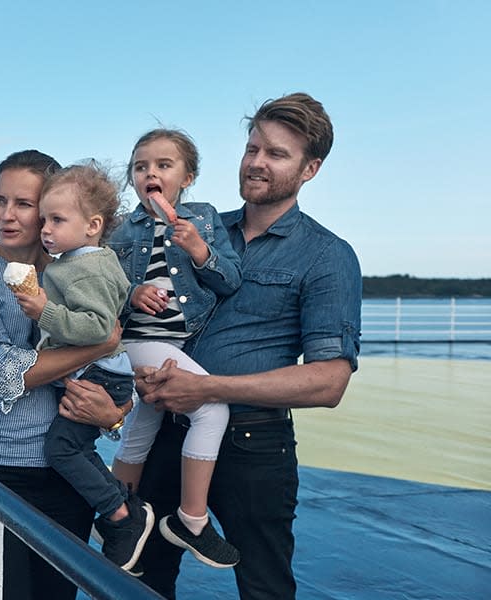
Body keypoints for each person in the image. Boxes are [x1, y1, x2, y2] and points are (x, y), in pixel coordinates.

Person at [133, 93, 362, 599]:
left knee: (264, 586)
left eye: (276, 154)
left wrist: (207, 388)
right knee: (139, 580)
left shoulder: (327, 256)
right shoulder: (195, 228)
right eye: (252, 147)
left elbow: (329, 381)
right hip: (165, 430)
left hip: (254, 445)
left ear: (311, 169)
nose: (257, 162)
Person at [0, 150, 133, 599]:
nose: (6, 216)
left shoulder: (82, 271)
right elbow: (1, 373)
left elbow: (118, 366)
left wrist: (115, 414)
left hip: (67, 475)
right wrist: (101, 341)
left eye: (24, 204)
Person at [106, 129, 243, 569]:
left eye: (164, 165)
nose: (151, 172)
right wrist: (132, 293)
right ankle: (192, 520)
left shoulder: (202, 219)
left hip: (176, 344)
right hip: (135, 342)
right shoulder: (121, 230)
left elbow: (230, 281)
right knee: (213, 408)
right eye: (141, 166)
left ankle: (117, 516)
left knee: (142, 425)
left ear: (188, 177)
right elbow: (100, 291)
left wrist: (200, 251)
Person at [10, 162, 154, 574]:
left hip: (100, 374)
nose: (46, 230)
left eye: (57, 220)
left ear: (93, 225)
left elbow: (96, 329)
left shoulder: (83, 267)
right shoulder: (96, 260)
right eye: (43, 221)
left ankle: (122, 517)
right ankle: (120, 505)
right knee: (76, 446)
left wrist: (44, 310)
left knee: (61, 448)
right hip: (104, 370)